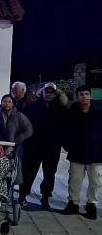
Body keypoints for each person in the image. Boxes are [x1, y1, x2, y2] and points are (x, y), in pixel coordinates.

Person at [19, 82, 69, 210]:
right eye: (47, 91)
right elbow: (23, 124)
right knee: (28, 172)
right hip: (33, 146)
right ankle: (22, 195)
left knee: (49, 174)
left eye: (52, 92)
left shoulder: (62, 110)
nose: (49, 94)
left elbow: (65, 129)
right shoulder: (31, 107)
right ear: (42, 92)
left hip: (52, 147)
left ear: (56, 94)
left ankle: (45, 197)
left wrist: (64, 143)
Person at [61, 86, 102, 220]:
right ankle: (73, 204)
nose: (84, 96)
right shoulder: (72, 113)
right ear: (78, 97)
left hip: (96, 153)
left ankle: (91, 205)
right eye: (81, 94)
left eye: (86, 94)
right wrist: (68, 146)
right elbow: (65, 131)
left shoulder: (98, 114)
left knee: (95, 181)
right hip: (77, 152)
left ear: (90, 96)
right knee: (75, 179)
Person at [0, 94, 33, 186]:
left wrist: (17, 140)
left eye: (9, 102)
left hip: (13, 147)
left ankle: (10, 190)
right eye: (4, 101)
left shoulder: (18, 115)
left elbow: (29, 129)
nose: (7, 104)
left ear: (13, 103)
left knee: (12, 170)